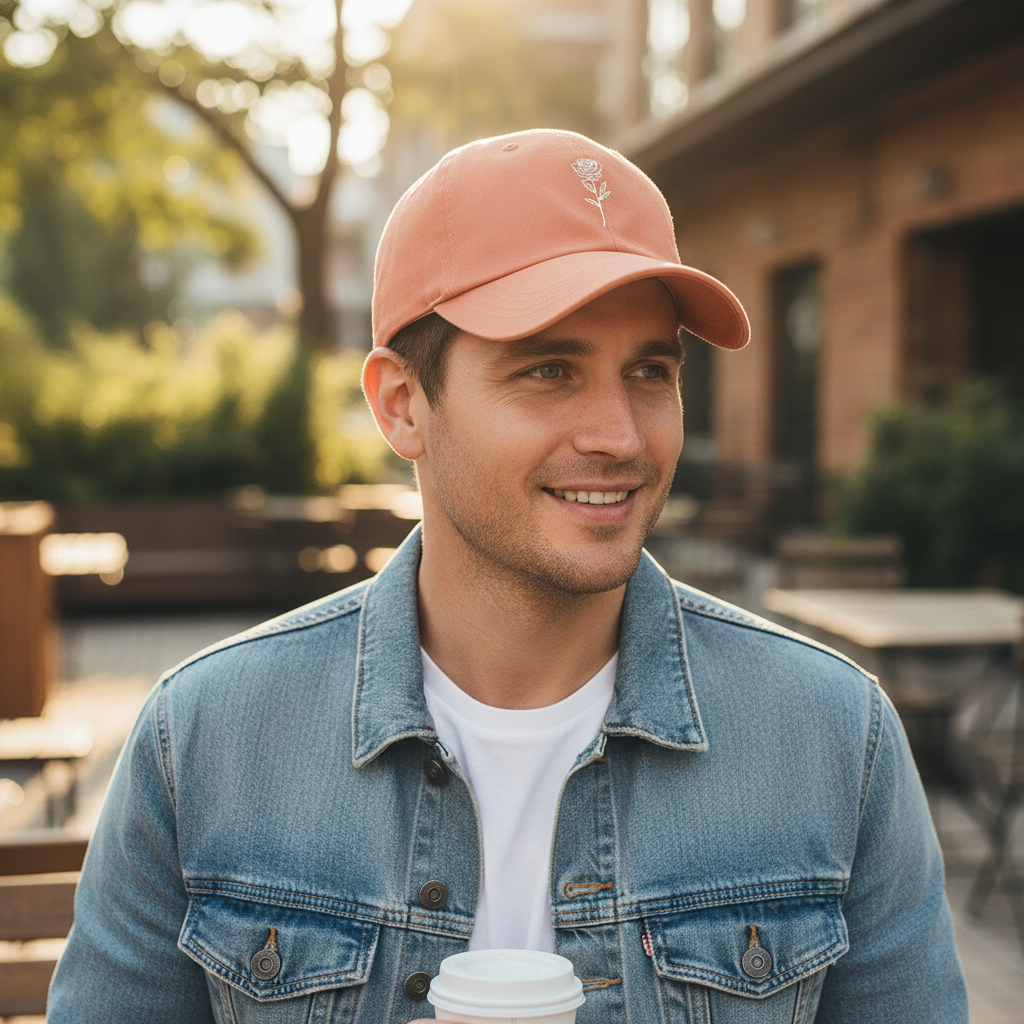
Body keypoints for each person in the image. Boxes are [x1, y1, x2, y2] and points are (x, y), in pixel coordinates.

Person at [48, 129, 967, 1023]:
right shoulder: (203, 740)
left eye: (651, 370)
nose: (620, 434)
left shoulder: (836, 739)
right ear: (403, 406)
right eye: (549, 370)